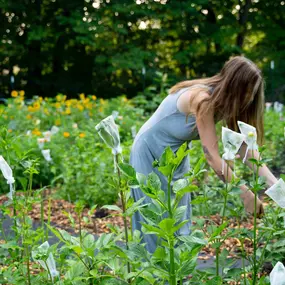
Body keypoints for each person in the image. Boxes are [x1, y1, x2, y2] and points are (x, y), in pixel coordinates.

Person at [129, 55, 278, 254]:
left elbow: (245, 148)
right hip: (149, 152)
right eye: (248, 92)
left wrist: (277, 189)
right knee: (155, 223)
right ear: (234, 86)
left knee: (179, 224)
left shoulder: (228, 103)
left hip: (175, 156)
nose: (249, 99)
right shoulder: (203, 100)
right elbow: (212, 156)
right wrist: (246, 194)